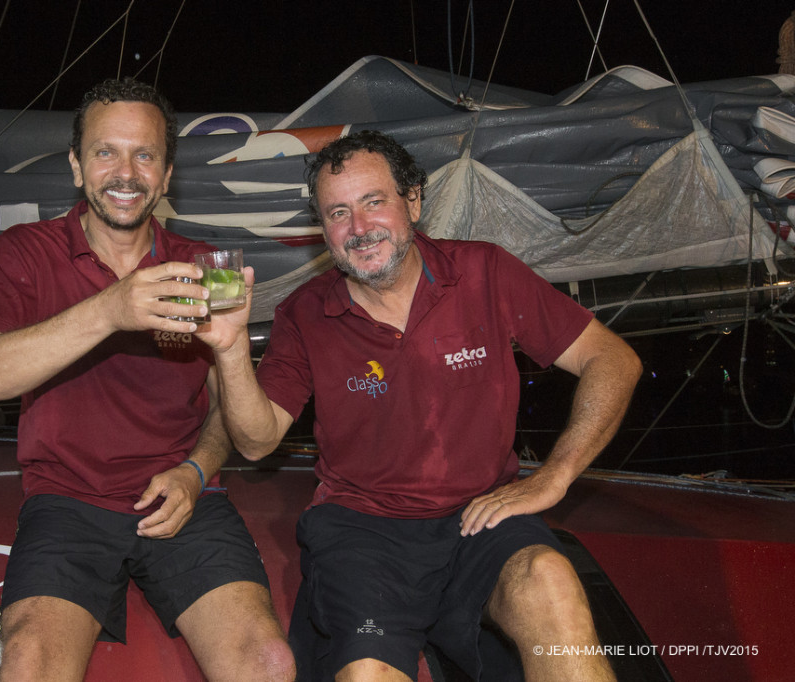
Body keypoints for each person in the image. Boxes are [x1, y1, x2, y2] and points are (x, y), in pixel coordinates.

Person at [200, 130, 643, 681]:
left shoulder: (485, 272)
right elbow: (257, 438)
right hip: (364, 535)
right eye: (338, 212)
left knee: (550, 583)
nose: (359, 229)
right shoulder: (303, 313)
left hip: (483, 517)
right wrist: (230, 352)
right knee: (366, 671)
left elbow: (613, 360)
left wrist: (554, 477)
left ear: (412, 200)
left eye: (373, 202)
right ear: (321, 229)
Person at [0, 78, 295, 682]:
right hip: (66, 500)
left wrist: (196, 471)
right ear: (75, 164)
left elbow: (235, 421)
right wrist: (110, 310)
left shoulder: (200, 267)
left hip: (183, 498)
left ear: (166, 175)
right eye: (105, 151)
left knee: (268, 662)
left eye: (145, 155)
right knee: (31, 660)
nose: (126, 172)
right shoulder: (25, 252)